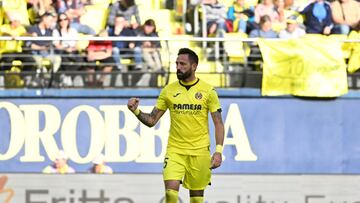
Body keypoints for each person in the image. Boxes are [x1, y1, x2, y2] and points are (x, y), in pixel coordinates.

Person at [127, 48, 225, 203]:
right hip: (175, 151)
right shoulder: (168, 90)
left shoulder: (208, 91)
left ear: (194, 66)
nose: (178, 67)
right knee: (171, 195)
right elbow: (152, 120)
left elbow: (218, 123)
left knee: (197, 200)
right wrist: (136, 111)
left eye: (183, 64)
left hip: (199, 151)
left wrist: (218, 152)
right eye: (177, 63)